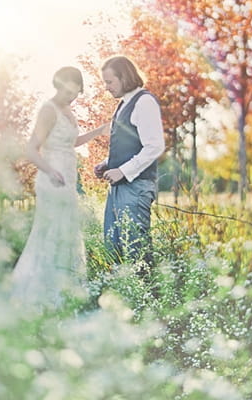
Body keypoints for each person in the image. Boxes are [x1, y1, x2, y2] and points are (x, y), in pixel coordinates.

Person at [11, 66, 108, 308]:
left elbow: (70, 142)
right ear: (58, 85)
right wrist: (49, 170)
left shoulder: (68, 110)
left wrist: (98, 131)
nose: (71, 98)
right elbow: (31, 149)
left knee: (67, 231)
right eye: (68, 93)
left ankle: (62, 289)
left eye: (76, 94)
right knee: (51, 232)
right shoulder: (48, 109)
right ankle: (42, 293)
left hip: (67, 179)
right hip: (51, 179)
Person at [93, 56, 165, 272]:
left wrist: (123, 171)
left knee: (137, 250)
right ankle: (122, 299)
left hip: (136, 187)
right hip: (119, 187)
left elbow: (155, 146)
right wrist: (107, 164)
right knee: (113, 246)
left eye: (109, 82)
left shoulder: (144, 102)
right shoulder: (123, 104)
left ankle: (148, 300)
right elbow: (130, 145)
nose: (106, 88)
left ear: (124, 77)